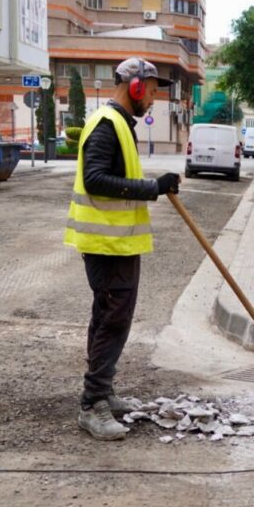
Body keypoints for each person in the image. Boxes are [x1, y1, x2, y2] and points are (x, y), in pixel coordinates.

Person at [64, 57, 182, 440]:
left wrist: (153, 184)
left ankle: (103, 391)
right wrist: (152, 188)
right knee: (112, 320)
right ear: (134, 86)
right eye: (150, 90)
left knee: (109, 316)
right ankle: (92, 404)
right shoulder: (106, 125)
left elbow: (117, 175)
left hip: (116, 242)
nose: (152, 98)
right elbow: (96, 179)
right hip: (106, 243)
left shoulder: (119, 125)